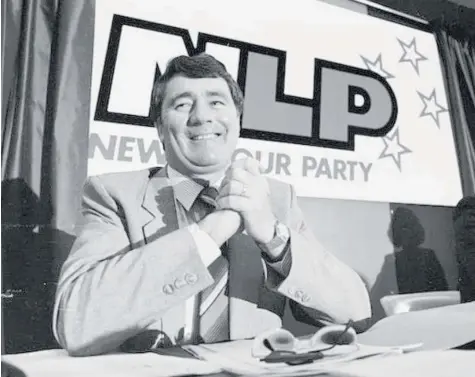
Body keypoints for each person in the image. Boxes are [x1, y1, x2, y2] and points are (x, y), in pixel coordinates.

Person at [53, 53, 371, 356]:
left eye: (216, 102)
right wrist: (211, 232)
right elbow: (75, 323)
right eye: (182, 104)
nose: (202, 116)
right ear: (160, 129)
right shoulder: (114, 195)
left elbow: (355, 315)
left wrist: (273, 237)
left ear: (237, 120)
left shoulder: (276, 198)